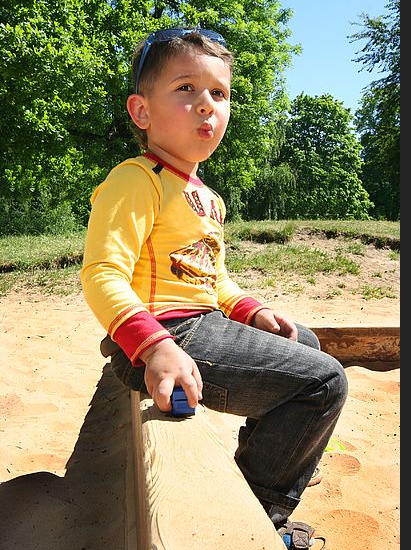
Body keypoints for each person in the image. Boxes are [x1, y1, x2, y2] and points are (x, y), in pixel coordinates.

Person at [80, 27, 348, 550]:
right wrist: (154, 345)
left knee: (306, 344)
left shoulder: (206, 196)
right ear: (142, 112)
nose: (206, 105)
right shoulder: (137, 179)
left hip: (198, 323)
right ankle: (261, 510)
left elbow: (211, 278)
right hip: (164, 335)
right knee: (324, 384)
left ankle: (277, 455)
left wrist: (252, 310)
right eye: (185, 89)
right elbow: (102, 274)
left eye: (219, 94)